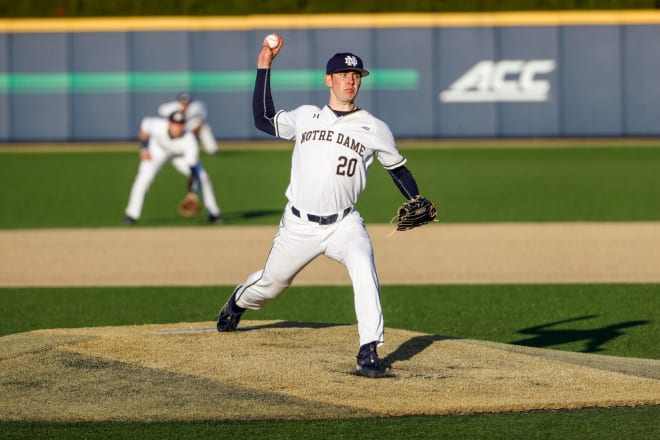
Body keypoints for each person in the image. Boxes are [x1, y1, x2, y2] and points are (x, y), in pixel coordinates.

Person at [215, 34, 434, 378]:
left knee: (364, 268)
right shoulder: (305, 117)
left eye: (356, 75)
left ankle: (368, 350)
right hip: (299, 225)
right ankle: (237, 303)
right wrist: (264, 66)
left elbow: (398, 169)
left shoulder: (374, 128)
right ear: (328, 80)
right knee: (271, 284)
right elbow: (263, 119)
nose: (351, 80)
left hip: (344, 225)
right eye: (344, 75)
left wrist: (415, 198)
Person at [123, 109, 223, 224]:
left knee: (203, 177)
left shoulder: (189, 140)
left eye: (180, 125)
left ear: (184, 126)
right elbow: (144, 128)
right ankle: (131, 214)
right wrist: (144, 149)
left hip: (180, 156)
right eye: (175, 124)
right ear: (169, 123)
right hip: (157, 151)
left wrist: (191, 193)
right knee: (143, 178)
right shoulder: (157, 125)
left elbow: (192, 169)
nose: (177, 127)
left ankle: (214, 213)